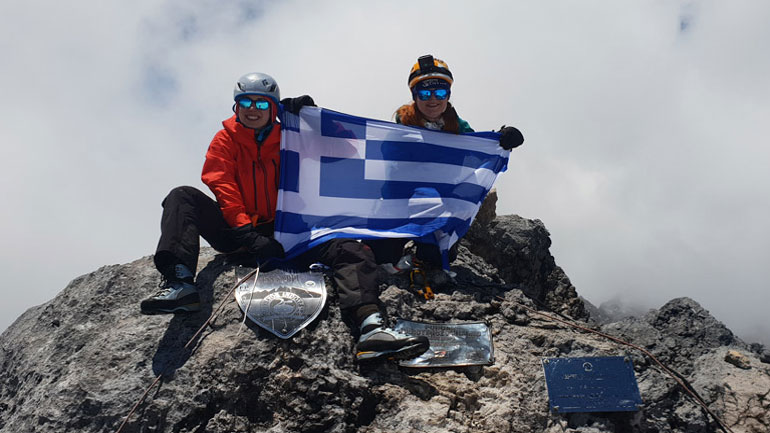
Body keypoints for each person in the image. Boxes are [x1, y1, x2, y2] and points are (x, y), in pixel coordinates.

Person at [140, 72, 429, 362]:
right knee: (182, 197)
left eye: (262, 104)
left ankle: (370, 327)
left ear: (274, 109)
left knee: (350, 250)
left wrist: (313, 120)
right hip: (239, 234)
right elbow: (222, 185)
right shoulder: (224, 140)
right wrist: (246, 233)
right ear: (235, 107)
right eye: (246, 103)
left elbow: (347, 148)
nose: (253, 110)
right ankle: (181, 284)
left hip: (291, 231)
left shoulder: (293, 137)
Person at [366, 54, 524, 268]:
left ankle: (425, 251)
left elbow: (477, 152)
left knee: (437, 258)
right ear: (414, 95)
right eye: (425, 92)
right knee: (379, 256)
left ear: (448, 95)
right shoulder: (400, 128)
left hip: (439, 205)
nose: (433, 99)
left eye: (440, 92)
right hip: (398, 203)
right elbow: (384, 162)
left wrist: (502, 139)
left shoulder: (458, 128)